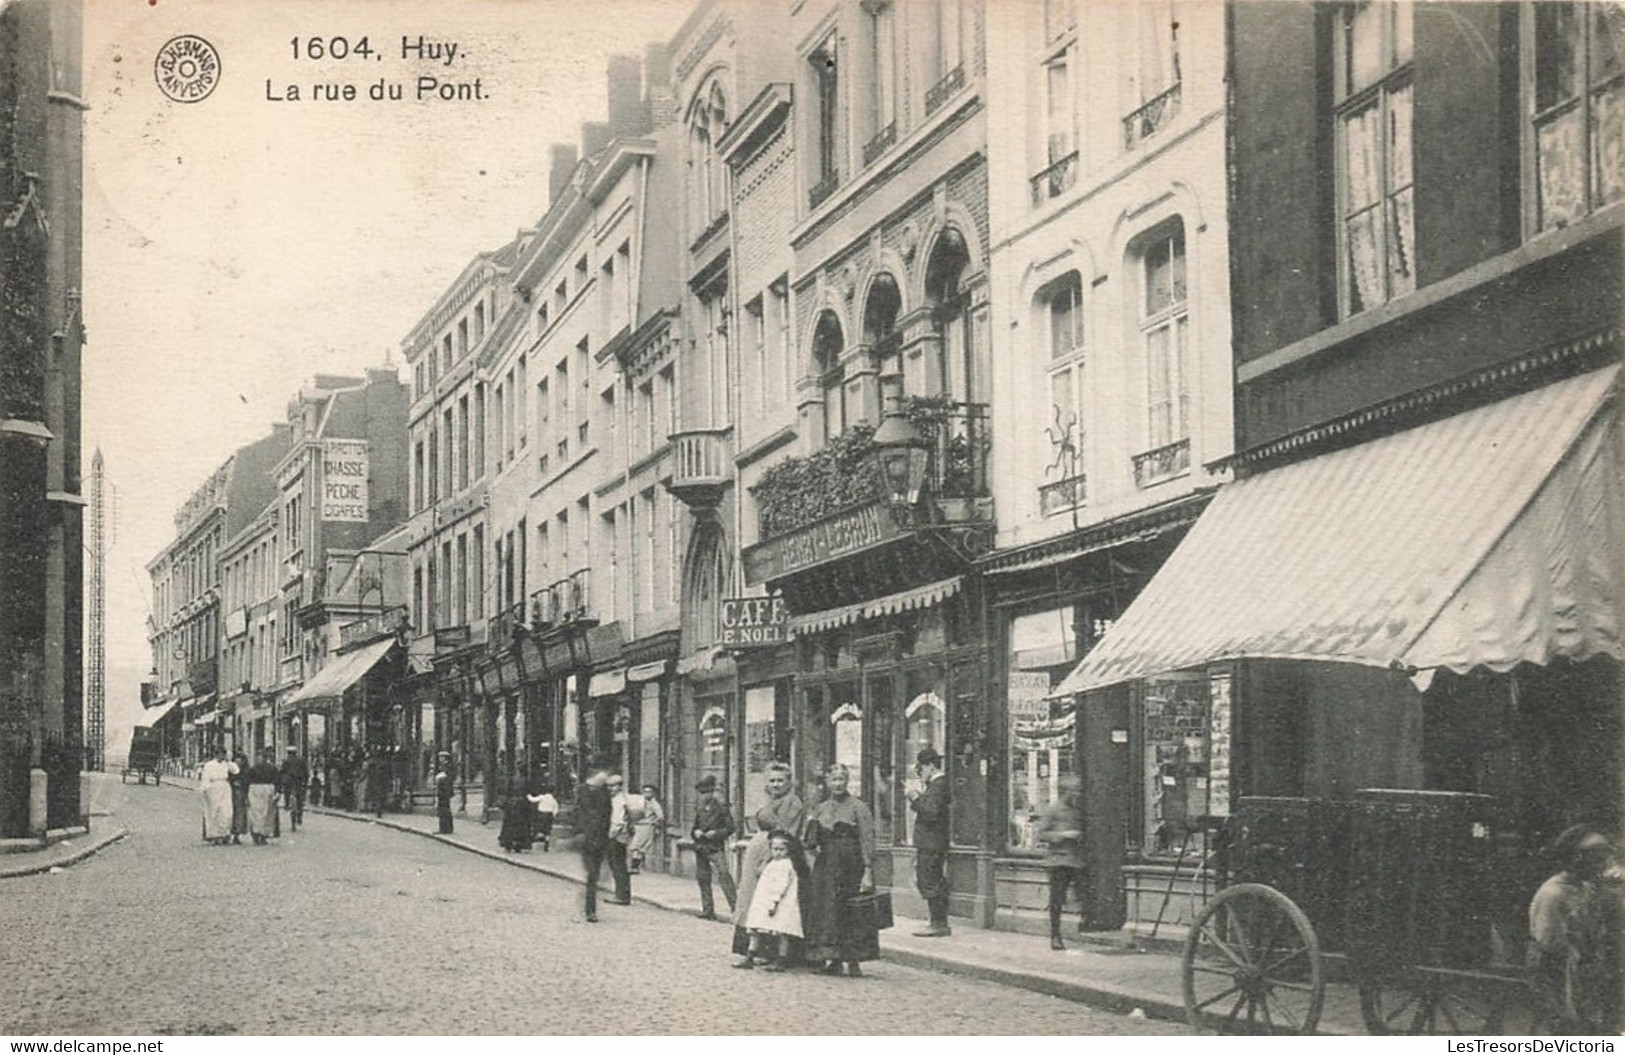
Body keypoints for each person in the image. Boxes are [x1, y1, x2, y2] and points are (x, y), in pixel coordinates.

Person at [1528, 825, 1622, 1033]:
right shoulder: (1554, 893)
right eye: (1596, 861)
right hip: (1558, 975)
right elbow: (1549, 943)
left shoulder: (1587, 886)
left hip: (1584, 972)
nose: (1603, 866)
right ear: (1577, 860)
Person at [804, 763, 880, 976]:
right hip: (827, 866)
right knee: (828, 911)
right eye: (834, 780)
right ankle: (833, 959)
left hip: (851, 866)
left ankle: (854, 961)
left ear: (847, 782)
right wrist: (812, 824)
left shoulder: (858, 807)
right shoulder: (822, 808)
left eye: (841, 780)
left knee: (851, 912)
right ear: (827, 783)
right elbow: (811, 842)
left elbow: (867, 839)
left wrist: (867, 870)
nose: (838, 784)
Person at [732, 762, 807, 963]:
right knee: (753, 900)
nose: (776, 785)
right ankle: (752, 948)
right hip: (760, 851)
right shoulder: (772, 801)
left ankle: (769, 951)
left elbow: (784, 833)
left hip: (774, 857)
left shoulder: (792, 802)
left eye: (780, 780)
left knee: (769, 901)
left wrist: (768, 861)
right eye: (772, 780)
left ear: (789, 782)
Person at [736, 830, 808, 972]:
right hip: (764, 901)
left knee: (782, 931)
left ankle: (781, 959)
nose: (778, 853)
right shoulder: (772, 863)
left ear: (788, 850)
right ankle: (750, 956)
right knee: (755, 928)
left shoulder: (785, 865)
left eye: (782, 849)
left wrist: (774, 902)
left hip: (779, 903)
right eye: (775, 849)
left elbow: (780, 886)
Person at [1036, 774, 1088, 950]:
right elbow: (1042, 834)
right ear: (1065, 792)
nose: (1077, 794)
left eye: (1078, 791)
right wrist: (1063, 835)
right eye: (1074, 791)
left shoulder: (1078, 811)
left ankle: (1083, 928)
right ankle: (1055, 936)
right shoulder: (1053, 810)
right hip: (1057, 861)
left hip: (1076, 860)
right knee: (1057, 900)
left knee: (1084, 893)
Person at [906, 746, 952, 937]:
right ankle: (937, 922)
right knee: (930, 880)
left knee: (930, 881)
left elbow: (931, 812)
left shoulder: (938, 784)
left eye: (922, 768)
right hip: (932, 842)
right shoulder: (937, 785)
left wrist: (914, 798)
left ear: (931, 766)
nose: (921, 772)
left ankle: (938, 923)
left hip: (931, 843)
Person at [690, 775, 737, 920]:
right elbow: (694, 828)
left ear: (713, 792)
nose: (705, 796)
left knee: (724, 875)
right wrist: (695, 832)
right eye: (702, 793)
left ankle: (736, 908)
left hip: (715, 847)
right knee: (703, 878)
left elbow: (730, 828)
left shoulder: (722, 808)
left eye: (707, 793)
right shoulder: (699, 808)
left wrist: (716, 833)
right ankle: (707, 910)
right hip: (701, 847)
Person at [576, 761, 614, 923]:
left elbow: (607, 816)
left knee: (596, 876)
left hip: (601, 840)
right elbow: (578, 814)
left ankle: (589, 906)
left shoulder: (604, 793)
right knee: (592, 875)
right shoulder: (583, 791)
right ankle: (589, 910)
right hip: (587, 840)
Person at [604, 773, 633, 904]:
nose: (610, 788)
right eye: (608, 786)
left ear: (620, 786)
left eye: (613, 786)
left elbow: (618, 822)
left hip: (616, 837)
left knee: (618, 865)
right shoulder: (615, 800)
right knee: (618, 865)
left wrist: (609, 836)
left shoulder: (619, 801)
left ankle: (622, 896)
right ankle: (622, 894)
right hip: (618, 836)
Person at [198, 747, 237, 845]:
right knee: (214, 811)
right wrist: (205, 789)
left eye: (223, 754)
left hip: (224, 787)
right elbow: (205, 777)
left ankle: (224, 834)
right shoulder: (209, 765)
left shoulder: (226, 764)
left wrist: (229, 761)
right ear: (216, 755)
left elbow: (236, 770)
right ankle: (214, 835)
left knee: (226, 812)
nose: (221, 756)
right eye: (220, 754)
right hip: (213, 788)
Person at [244, 749, 281, 846]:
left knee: (266, 814)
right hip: (255, 791)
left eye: (261, 757)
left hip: (266, 790)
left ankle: (263, 834)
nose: (259, 760)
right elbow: (247, 782)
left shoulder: (271, 769)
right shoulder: (253, 769)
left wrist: (277, 791)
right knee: (255, 813)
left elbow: (277, 780)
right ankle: (256, 833)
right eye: (258, 757)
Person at [628, 783, 664, 873]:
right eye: (645, 791)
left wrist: (653, 823)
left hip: (646, 826)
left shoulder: (654, 804)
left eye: (649, 792)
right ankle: (635, 867)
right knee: (635, 847)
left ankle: (635, 867)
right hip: (638, 826)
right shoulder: (642, 802)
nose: (646, 794)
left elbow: (661, 816)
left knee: (638, 847)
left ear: (653, 793)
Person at [498, 773, 534, 851]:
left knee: (511, 824)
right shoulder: (525, 780)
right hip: (520, 804)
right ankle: (518, 843)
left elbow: (506, 791)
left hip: (513, 804)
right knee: (520, 825)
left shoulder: (512, 780)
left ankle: (510, 842)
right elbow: (529, 792)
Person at [280, 747, 308, 831]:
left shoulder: (286, 761)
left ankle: (287, 804)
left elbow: (282, 772)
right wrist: (305, 783)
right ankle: (299, 817)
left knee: (288, 796)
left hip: (289, 784)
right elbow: (306, 772)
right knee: (300, 801)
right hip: (298, 783)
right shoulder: (301, 761)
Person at [228, 751, 250, 845]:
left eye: (240, 761)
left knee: (239, 814)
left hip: (240, 794)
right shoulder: (230, 770)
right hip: (229, 793)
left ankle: (237, 834)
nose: (238, 763)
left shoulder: (246, 771)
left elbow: (247, 781)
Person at [529, 784, 558, 851]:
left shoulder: (542, 797)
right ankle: (546, 844)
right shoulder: (553, 800)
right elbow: (556, 808)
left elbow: (533, 800)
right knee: (547, 830)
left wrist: (528, 795)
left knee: (538, 828)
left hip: (541, 814)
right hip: (549, 815)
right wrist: (553, 815)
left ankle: (534, 840)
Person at [433, 751, 455, 835]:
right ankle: (445, 828)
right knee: (442, 809)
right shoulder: (443, 766)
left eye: (441, 757)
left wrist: (440, 778)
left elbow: (448, 778)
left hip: (445, 791)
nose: (440, 759)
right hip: (442, 790)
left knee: (444, 809)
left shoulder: (448, 767)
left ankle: (446, 828)